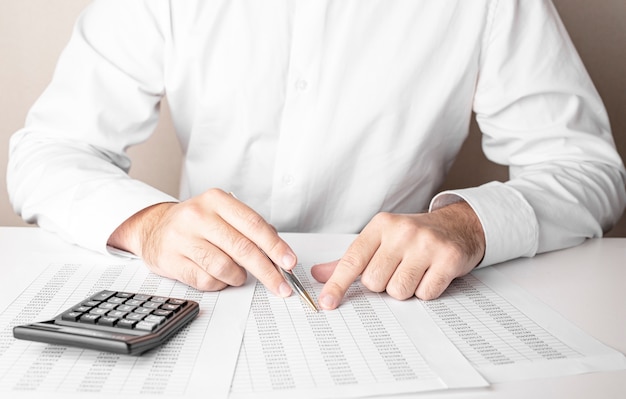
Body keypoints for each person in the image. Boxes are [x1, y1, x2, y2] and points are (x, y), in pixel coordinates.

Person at [8, 0, 625, 311]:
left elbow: (589, 169)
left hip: (394, 308)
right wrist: (149, 226)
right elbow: (48, 152)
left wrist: (468, 226)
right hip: (197, 304)